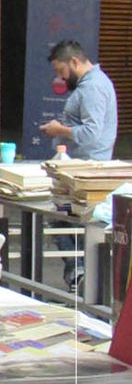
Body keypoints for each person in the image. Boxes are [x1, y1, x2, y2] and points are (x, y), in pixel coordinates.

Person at [39, 38, 118, 293]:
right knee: (63, 221)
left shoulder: (92, 88)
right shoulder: (90, 85)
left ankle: (80, 274)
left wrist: (60, 129)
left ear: (74, 61)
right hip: (80, 167)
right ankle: (79, 274)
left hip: (88, 169)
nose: (60, 79)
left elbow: (92, 133)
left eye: (61, 71)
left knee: (66, 221)